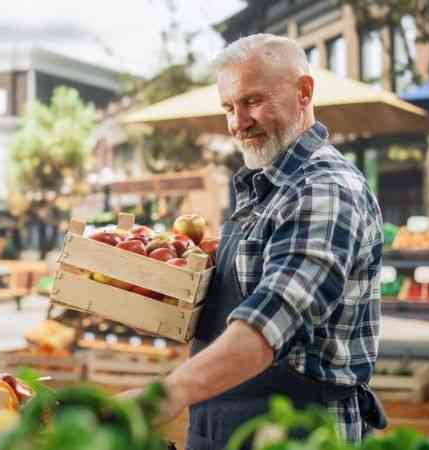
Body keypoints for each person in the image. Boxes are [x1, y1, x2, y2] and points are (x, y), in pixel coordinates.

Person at [131, 34, 387, 448]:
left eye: (252, 102)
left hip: (298, 433)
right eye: (228, 107)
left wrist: (167, 394)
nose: (237, 122)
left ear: (304, 92)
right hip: (225, 426)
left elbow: (270, 322)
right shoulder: (264, 188)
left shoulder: (324, 189)